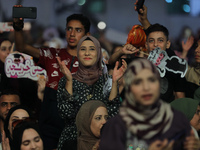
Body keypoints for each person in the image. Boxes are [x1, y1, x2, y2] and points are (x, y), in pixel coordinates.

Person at [13, 5, 91, 149]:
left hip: (76, 128)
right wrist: (18, 27)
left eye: (78, 30)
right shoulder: (51, 54)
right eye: (69, 29)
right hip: (49, 124)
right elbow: (22, 47)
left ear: (87, 35)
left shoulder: (91, 61)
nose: (72, 34)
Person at [99, 58, 195, 150]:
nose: (146, 87)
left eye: (151, 80)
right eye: (138, 82)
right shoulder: (116, 125)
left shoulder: (177, 122)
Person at [57, 35, 126, 149]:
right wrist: (69, 81)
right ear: (78, 53)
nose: (87, 53)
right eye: (83, 49)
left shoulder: (105, 80)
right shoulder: (66, 79)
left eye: (92, 49)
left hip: (101, 142)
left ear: (98, 53)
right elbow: (66, 114)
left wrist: (114, 82)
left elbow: (113, 114)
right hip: (73, 142)